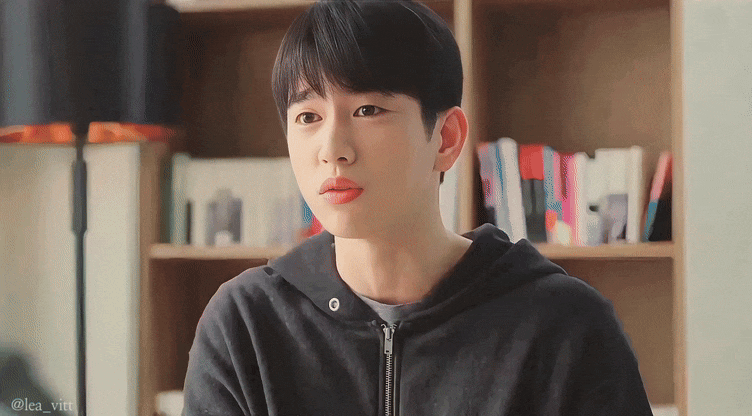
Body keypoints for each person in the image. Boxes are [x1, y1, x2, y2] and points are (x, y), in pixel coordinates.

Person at [182, 0, 653, 415]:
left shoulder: (565, 325)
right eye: (308, 117)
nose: (332, 150)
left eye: (368, 110)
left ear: (446, 139)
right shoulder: (245, 325)